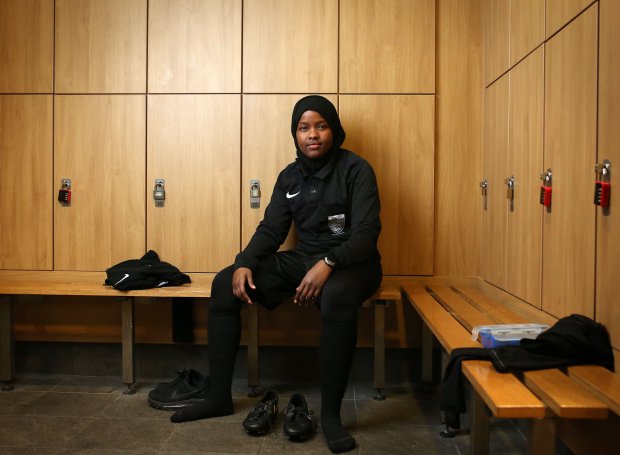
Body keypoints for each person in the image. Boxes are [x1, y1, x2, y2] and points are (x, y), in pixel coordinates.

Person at [168, 95, 382, 453]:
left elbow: (366, 234)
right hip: (306, 258)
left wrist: (329, 263)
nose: (312, 134)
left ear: (333, 130)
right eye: (304, 128)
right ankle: (218, 396)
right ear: (295, 134)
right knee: (224, 283)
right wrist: (244, 262)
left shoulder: (356, 170)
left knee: (336, 294)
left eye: (321, 126)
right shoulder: (289, 176)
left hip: (354, 264)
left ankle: (331, 416)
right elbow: (271, 230)